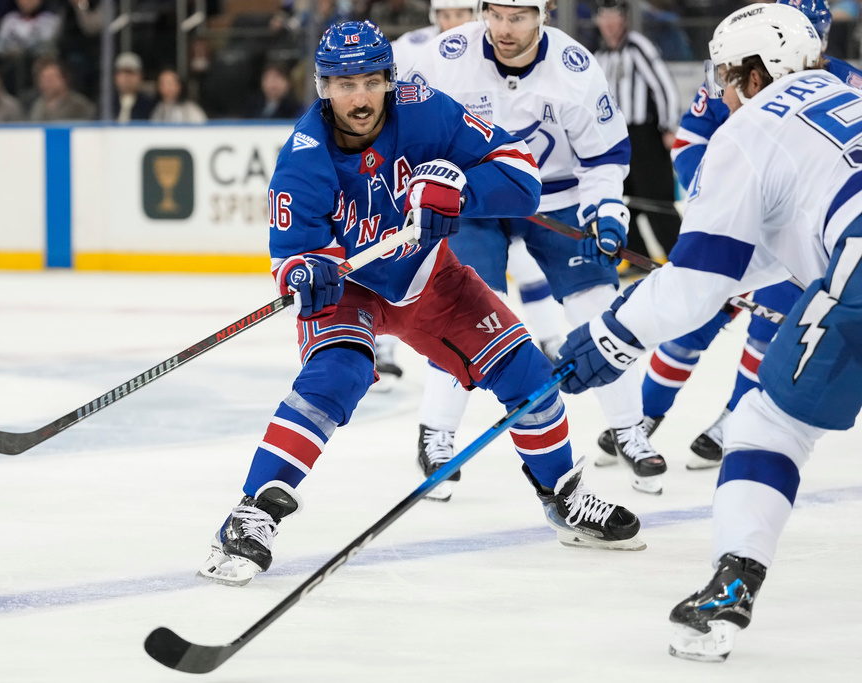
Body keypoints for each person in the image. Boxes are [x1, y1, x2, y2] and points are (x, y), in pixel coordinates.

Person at [198, 20, 645, 588]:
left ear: (389, 79)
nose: (358, 98)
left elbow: (521, 175)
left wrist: (459, 187)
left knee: (527, 370)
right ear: (322, 88)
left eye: (369, 81)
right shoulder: (303, 158)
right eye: (342, 84)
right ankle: (250, 515)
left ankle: (563, 495)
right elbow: (291, 256)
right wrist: (306, 271)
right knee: (338, 375)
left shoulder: (425, 109)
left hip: (431, 276)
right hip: (351, 292)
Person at [553, 2, 862, 662]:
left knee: (767, 427)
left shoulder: (754, 126)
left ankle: (732, 586)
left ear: (757, 73)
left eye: (726, 74)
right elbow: (782, 240)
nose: (720, 90)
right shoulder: (845, 90)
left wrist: (613, 332)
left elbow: (697, 283)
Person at [405, 1, 665, 498]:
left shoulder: (575, 68)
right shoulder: (446, 55)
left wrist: (606, 211)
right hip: (476, 198)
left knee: (594, 305)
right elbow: (405, 126)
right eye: (496, 15)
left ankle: (629, 426)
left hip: (558, 199)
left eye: (518, 17)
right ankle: (436, 430)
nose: (504, 29)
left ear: (543, 14)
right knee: (460, 306)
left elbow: (605, 158)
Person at [600, 0, 862, 471]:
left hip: (792, 233)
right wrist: (722, 198)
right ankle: (642, 416)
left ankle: (734, 419)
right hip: (738, 224)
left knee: (768, 333)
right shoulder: (740, 67)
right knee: (691, 326)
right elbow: (691, 140)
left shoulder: (840, 77)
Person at [372, 0, 480, 389]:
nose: (452, 23)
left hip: (456, 174)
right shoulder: (410, 47)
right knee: (393, 252)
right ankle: (382, 350)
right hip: (410, 171)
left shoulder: (484, 53)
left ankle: (545, 333)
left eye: (461, 15)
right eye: (446, 15)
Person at [594, 0, 682, 264]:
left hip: (645, 137)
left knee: (657, 202)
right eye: (604, 18)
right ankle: (638, 260)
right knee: (622, 201)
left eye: (614, 17)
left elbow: (664, 86)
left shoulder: (637, 47)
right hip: (616, 138)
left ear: (624, 20)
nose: (609, 24)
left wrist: (668, 126)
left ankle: (680, 261)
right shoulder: (600, 56)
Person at [28, 57, 95, 121]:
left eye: (52, 78)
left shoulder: (80, 107)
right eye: (44, 79)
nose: (48, 83)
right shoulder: (37, 107)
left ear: (64, 79)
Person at [111, 51, 155, 123]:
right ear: (116, 77)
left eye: (132, 73)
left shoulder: (149, 106)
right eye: (123, 73)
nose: (127, 78)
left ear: (140, 76)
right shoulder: (107, 103)